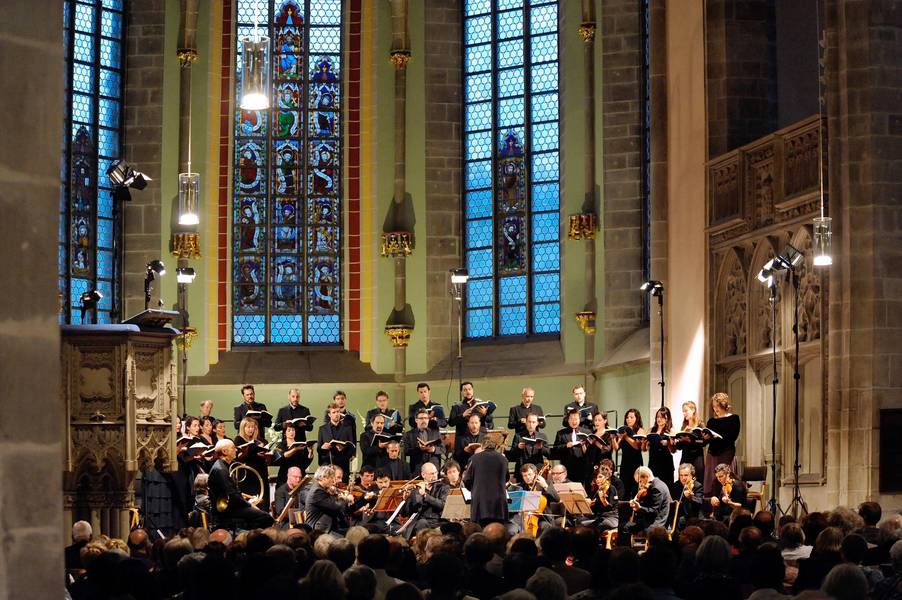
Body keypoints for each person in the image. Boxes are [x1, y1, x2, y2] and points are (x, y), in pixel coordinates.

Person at [208, 439, 274, 528]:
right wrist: (250, 505)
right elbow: (232, 495)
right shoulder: (220, 469)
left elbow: (234, 493)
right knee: (266, 517)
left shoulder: (225, 466)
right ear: (224, 451)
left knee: (262, 514)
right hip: (228, 510)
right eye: (233, 448)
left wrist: (247, 501)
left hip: (232, 506)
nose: (236, 450)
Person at [463, 438, 509, 526]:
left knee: (481, 532)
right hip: (499, 505)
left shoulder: (474, 458)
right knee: (498, 532)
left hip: (480, 504)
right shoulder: (503, 459)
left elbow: (467, 480)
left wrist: (474, 489)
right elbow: (506, 479)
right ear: (495, 446)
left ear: (482, 446)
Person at [703, 392, 741, 494]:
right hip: (713, 454)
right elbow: (706, 441)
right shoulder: (711, 421)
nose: (716, 409)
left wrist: (717, 438)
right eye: (714, 406)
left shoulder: (734, 418)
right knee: (712, 482)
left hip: (726, 453)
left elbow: (732, 437)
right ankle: (712, 505)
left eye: (718, 406)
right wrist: (706, 438)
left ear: (724, 405)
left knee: (726, 480)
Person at [621, 466, 672, 542]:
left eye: (640, 481)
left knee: (623, 527)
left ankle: (626, 551)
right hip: (650, 520)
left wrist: (639, 508)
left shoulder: (656, 488)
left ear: (646, 477)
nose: (639, 485)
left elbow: (654, 511)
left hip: (656, 523)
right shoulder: (656, 484)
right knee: (625, 525)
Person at [233, 416, 273, 509]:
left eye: (253, 427)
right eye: (248, 427)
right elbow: (237, 457)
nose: (251, 429)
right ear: (243, 428)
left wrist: (266, 455)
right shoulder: (239, 439)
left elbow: (267, 460)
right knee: (249, 502)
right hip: (247, 475)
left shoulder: (261, 441)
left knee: (263, 500)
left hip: (261, 474)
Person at [304, 465, 354, 533]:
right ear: (324, 478)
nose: (333, 481)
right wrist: (346, 498)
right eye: (331, 478)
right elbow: (336, 506)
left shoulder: (322, 489)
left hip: (329, 526)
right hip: (319, 530)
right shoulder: (317, 491)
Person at [402, 462, 449, 533]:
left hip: (438, 521)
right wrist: (406, 500)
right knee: (422, 523)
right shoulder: (416, 490)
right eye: (432, 474)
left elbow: (443, 505)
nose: (435, 476)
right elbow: (407, 512)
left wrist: (425, 495)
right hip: (422, 521)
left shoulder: (443, 487)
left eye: (436, 473)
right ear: (423, 475)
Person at [317, 402, 357, 482]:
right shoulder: (322, 429)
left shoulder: (347, 428)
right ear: (329, 414)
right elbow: (319, 450)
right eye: (334, 412)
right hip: (328, 465)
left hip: (343, 465)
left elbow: (352, 448)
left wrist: (343, 449)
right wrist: (323, 448)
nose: (336, 414)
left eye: (338, 412)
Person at [506, 413, 550, 480]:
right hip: (522, 470)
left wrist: (541, 448)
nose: (531, 424)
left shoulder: (542, 436)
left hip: (537, 470)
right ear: (525, 422)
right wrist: (518, 448)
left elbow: (548, 453)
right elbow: (512, 454)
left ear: (537, 423)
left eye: (533, 422)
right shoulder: (518, 436)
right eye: (529, 422)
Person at [553, 409, 590, 487]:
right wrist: (566, 446)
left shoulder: (587, 432)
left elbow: (591, 452)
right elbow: (555, 449)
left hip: (582, 467)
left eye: (576, 419)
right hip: (566, 467)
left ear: (579, 420)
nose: (574, 421)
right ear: (568, 420)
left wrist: (583, 445)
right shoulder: (561, 433)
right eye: (572, 419)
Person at [673, 400, 705, 485]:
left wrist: (689, 440)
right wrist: (678, 441)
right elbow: (679, 447)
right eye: (683, 411)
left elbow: (703, 442)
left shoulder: (700, 425)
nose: (684, 413)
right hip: (685, 457)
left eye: (686, 411)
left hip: (696, 458)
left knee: (696, 481)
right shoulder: (684, 426)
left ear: (693, 410)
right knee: (683, 481)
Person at [402, 409, 443, 474]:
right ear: (416, 420)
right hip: (417, 468)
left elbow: (443, 449)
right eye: (421, 418)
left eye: (426, 418)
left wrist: (433, 449)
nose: (424, 420)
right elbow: (406, 451)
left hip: (433, 467)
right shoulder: (409, 434)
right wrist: (419, 449)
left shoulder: (436, 432)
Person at [617, 409, 646, 499]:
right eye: (627, 417)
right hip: (625, 463)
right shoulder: (623, 430)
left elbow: (637, 446)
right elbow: (616, 448)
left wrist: (626, 437)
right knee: (624, 489)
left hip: (635, 463)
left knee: (635, 488)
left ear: (636, 419)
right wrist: (615, 438)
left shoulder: (640, 430)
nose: (628, 419)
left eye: (631, 417)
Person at [276, 421, 313, 487]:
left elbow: (306, 461)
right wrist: (295, 449)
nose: (291, 432)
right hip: (284, 475)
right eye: (289, 430)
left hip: (299, 474)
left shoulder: (301, 444)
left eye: (293, 430)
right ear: (285, 433)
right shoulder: (281, 445)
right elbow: (283, 456)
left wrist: (311, 451)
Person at [646, 407, 676, 486]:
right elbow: (646, 448)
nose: (659, 419)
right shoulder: (651, 430)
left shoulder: (670, 430)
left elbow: (673, 450)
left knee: (667, 486)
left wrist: (668, 443)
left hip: (665, 463)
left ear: (667, 418)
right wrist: (646, 442)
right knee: (653, 486)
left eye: (662, 417)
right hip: (653, 462)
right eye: (658, 417)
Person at [583, 464, 618, 532]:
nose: (597, 480)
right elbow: (596, 510)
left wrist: (604, 501)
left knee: (596, 525)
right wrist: (589, 505)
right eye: (596, 477)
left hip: (612, 518)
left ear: (606, 477)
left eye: (600, 477)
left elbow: (611, 508)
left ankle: (594, 541)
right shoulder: (598, 490)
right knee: (579, 521)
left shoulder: (611, 488)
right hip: (600, 517)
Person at [670, 463, 704, 530]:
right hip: (678, 516)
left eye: (686, 475)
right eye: (681, 475)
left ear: (692, 475)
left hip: (693, 517)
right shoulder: (675, 486)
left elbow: (700, 502)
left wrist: (691, 498)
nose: (683, 478)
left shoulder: (697, 486)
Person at [584, 411, 614, 476]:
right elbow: (587, 453)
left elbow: (608, 450)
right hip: (591, 466)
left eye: (599, 420)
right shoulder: (592, 433)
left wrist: (596, 442)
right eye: (595, 420)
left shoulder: (608, 434)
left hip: (603, 466)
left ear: (605, 421)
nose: (597, 422)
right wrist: (584, 444)